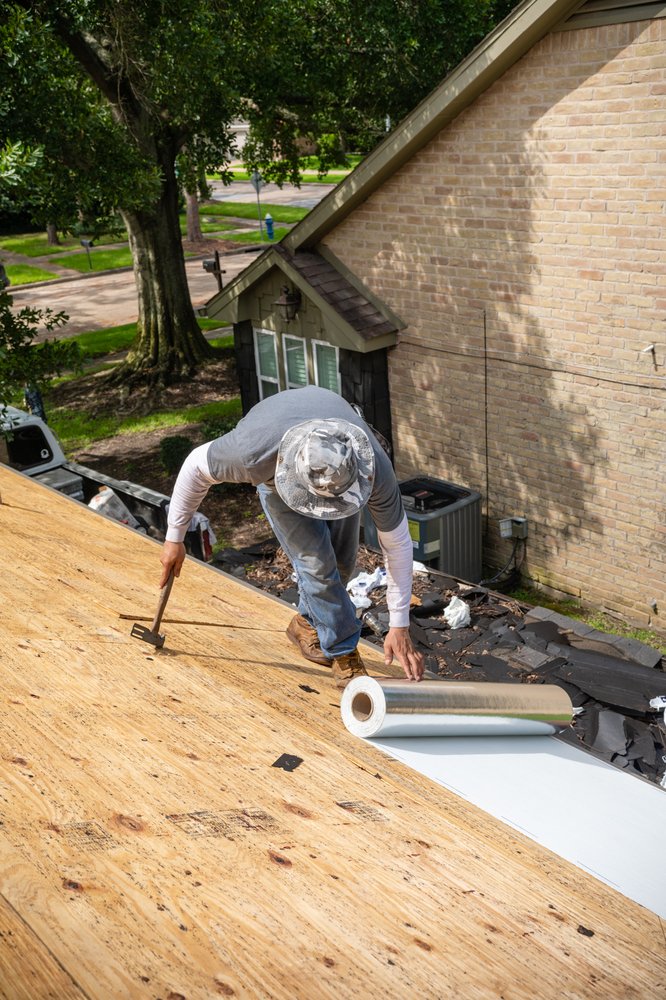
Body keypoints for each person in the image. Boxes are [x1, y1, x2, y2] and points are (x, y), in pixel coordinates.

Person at [159, 385, 424, 689]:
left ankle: (306, 623)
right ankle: (344, 654)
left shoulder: (370, 467)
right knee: (317, 567)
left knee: (340, 564)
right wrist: (174, 538)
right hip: (280, 483)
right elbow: (195, 466)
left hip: (336, 476)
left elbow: (398, 545)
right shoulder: (250, 453)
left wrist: (399, 625)